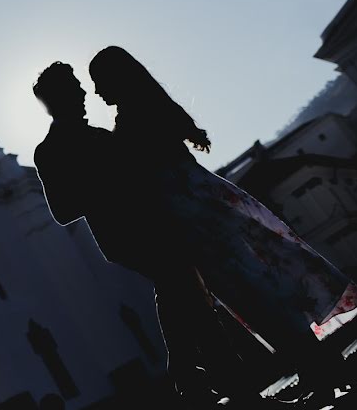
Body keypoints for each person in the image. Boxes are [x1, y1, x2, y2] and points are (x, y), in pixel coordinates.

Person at [88, 45, 357, 404]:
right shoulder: (151, 106)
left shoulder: (130, 122)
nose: (96, 91)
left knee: (253, 299)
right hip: (210, 202)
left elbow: (142, 177)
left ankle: (319, 369)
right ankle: (322, 367)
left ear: (115, 78)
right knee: (264, 291)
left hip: (191, 218)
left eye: (98, 82)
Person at [32, 62, 258, 407]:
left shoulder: (102, 135)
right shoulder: (48, 150)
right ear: (56, 98)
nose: (82, 92)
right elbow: (62, 212)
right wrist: (107, 180)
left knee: (181, 295)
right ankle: (234, 387)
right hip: (124, 237)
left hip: (158, 225)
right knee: (189, 294)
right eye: (74, 87)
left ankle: (190, 378)